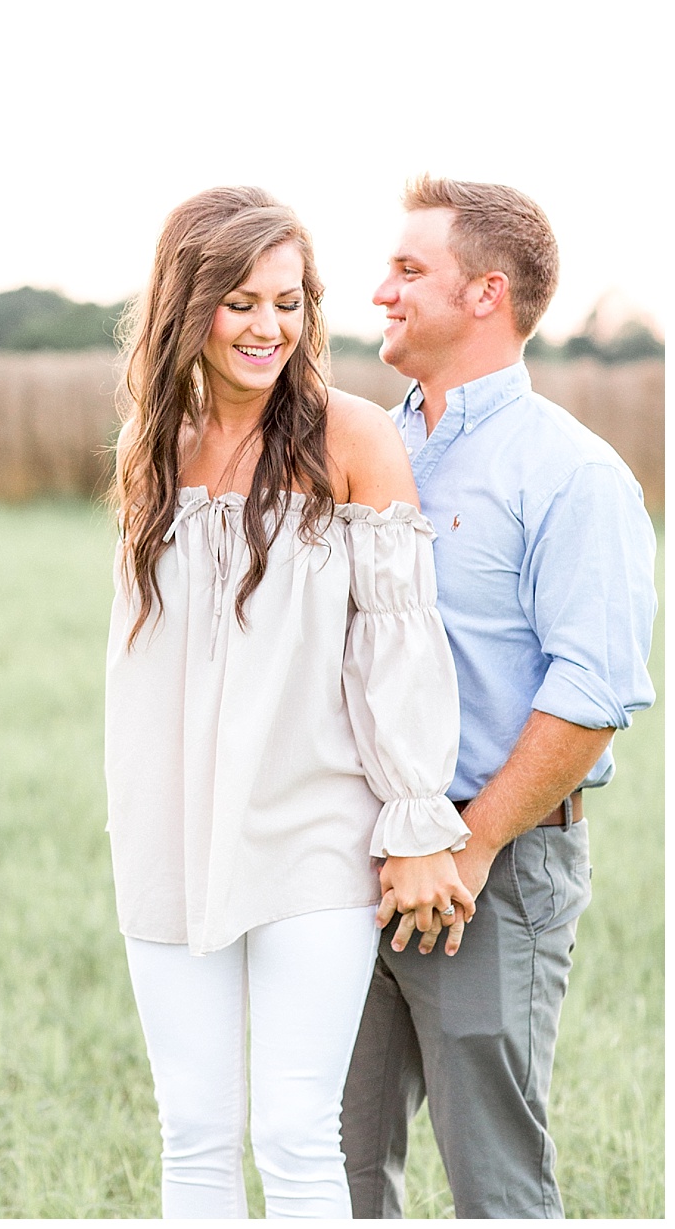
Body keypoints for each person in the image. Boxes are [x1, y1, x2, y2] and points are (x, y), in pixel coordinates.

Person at [104, 187, 477, 1218]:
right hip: (167, 826)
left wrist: (414, 815)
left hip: (315, 825)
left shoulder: (352, 440)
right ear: (188, 306)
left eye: (288, 301)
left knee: (296, 1134)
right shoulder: (151, 444)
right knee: (195, 1132)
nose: (269, 326)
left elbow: (396, 648)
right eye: (240, 302)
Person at [340, 178, 657, 1218]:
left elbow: (592, 692)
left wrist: (467, 848)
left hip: (495, 871)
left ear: (485, 293)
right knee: (333, 1173)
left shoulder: (573, 474)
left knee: (497, 1188)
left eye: (407, 268)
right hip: (354, 861)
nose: (381, 290)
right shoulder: (356, 454)